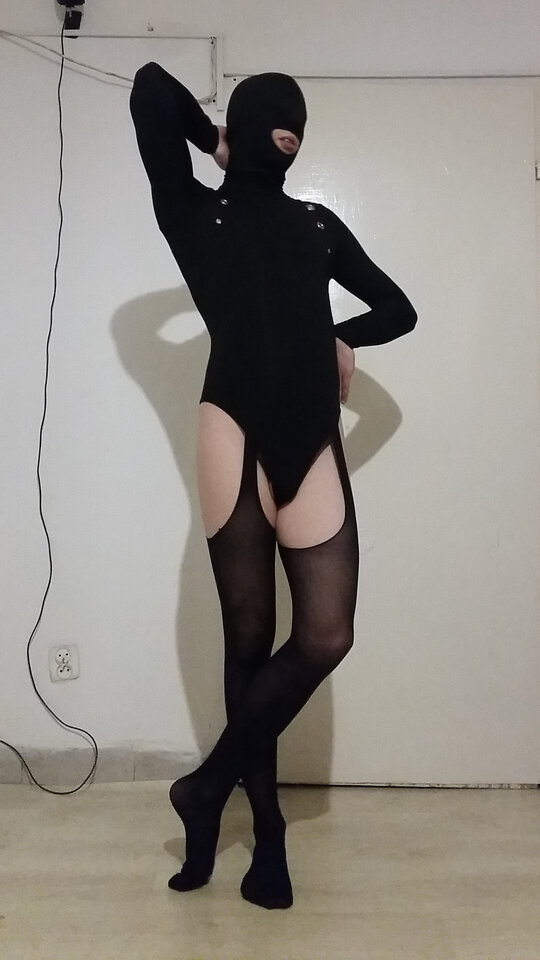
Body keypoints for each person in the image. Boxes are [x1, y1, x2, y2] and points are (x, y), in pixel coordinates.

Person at [129, 63, 417, 910]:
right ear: (249, 125)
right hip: (232, 426)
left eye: (298, 127)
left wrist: (338, 335)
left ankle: (204, 788)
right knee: (248, 642)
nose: (289, 134)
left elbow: (398, 309)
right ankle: (268, 837)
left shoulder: (317, 224)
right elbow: (150, 86)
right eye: (276, 121)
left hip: (309, 431)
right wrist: (212, 140)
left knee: (326, 634)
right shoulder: (192, 210)